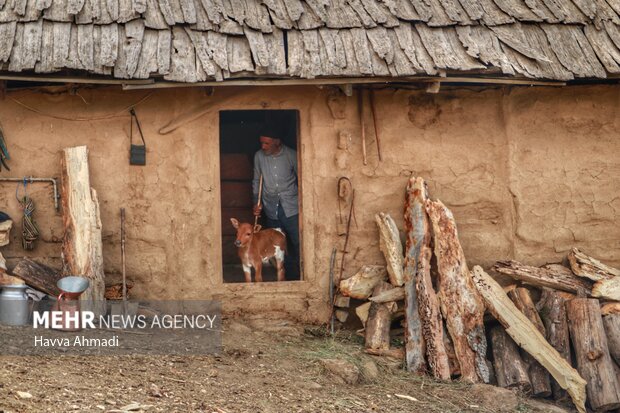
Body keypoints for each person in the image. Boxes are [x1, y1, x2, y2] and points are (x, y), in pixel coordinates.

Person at [252, 134, 300, 280]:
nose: (263, 146)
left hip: (291, 206)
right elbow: (256, 180)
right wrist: (256, 202)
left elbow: (303, 178)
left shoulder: (292, 155)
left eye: (267, 143)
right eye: (261, 143)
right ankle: (281, 278)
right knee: (276, 245)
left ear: (277, 141)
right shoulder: (259, 156)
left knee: (296, 242)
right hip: (270, 206)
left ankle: (296, 277)